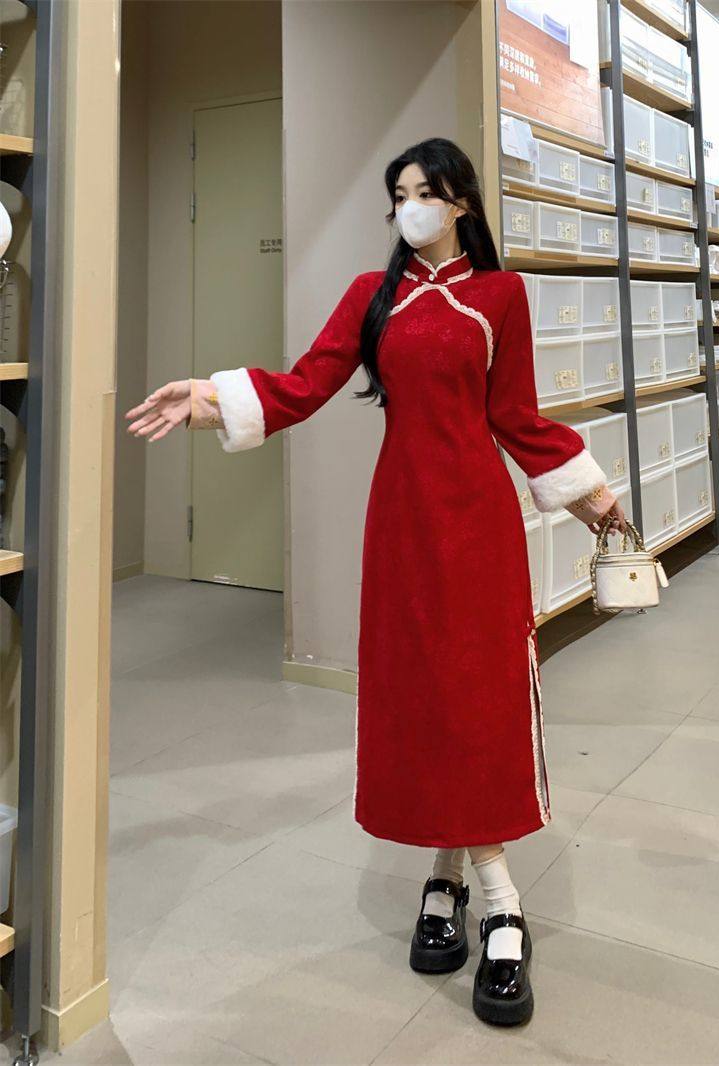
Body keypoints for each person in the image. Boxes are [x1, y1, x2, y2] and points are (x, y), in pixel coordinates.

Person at [125, 137, 626, 1028]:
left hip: (478, 524)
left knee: (477, 697)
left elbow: (515, 414)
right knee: (421, 694)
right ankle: (463, 881)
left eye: (423, 192)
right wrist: (206, 401)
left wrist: (592, 499)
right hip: (401, 522)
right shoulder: (373, 294)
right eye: (398, 195)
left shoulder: (501, 295)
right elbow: (304, 384)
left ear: (461, 201)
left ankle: (489, 895)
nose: (408, 208)